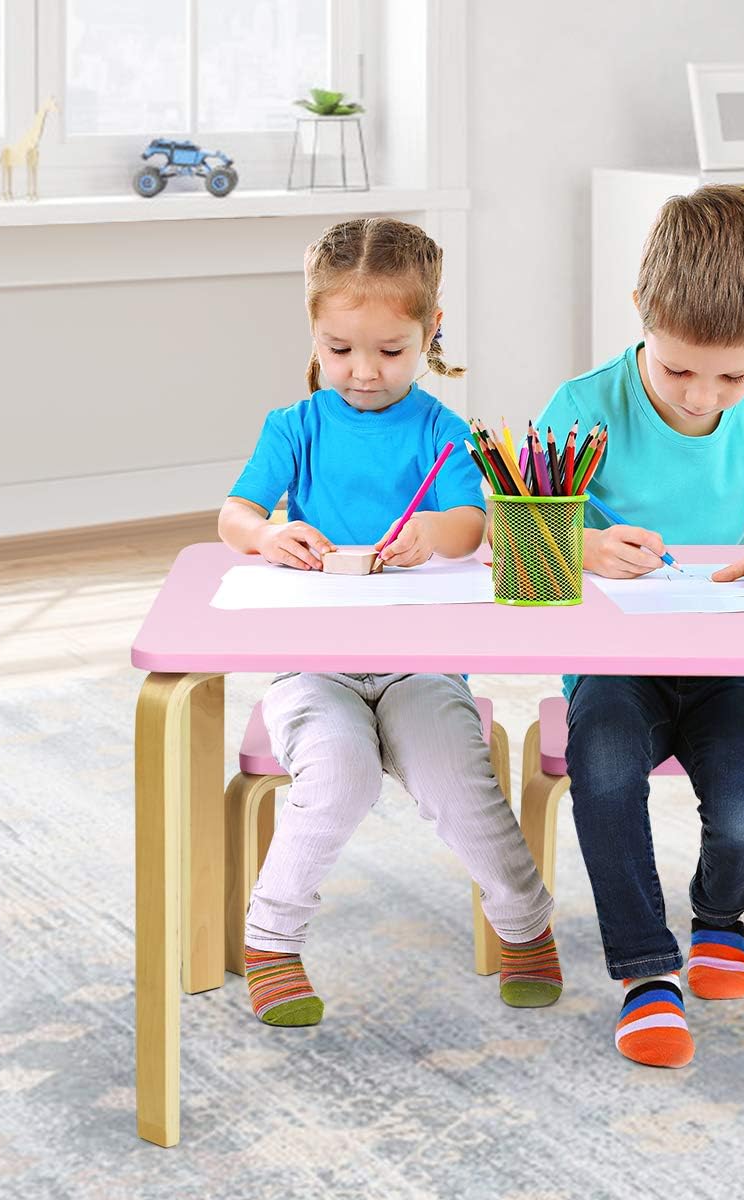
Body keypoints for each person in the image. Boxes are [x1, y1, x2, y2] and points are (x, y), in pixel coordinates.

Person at [219, 217, 561, 1026]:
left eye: (390, 350)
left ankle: (524, 927)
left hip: (421, 661)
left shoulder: (443, 433)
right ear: (313, 330)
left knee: (456, 778)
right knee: (339, 774)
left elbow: (473, 526)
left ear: (430, 332)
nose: (363, 372)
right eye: (339, 349)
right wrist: (267, 532)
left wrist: (431, 536)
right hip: (316, 664)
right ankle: (271, 938)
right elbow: (233, 514)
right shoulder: (294, 427)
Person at [537, 186, 744, 1067]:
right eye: (679, 371)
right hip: (612, 660)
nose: (705, 395)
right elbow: (517, 525)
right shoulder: (583, 404)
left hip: (726, 651)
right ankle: (645, 971)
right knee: (603, 772)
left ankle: (719, 916)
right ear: (642, 313)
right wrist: (584, 544)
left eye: (731, 376)